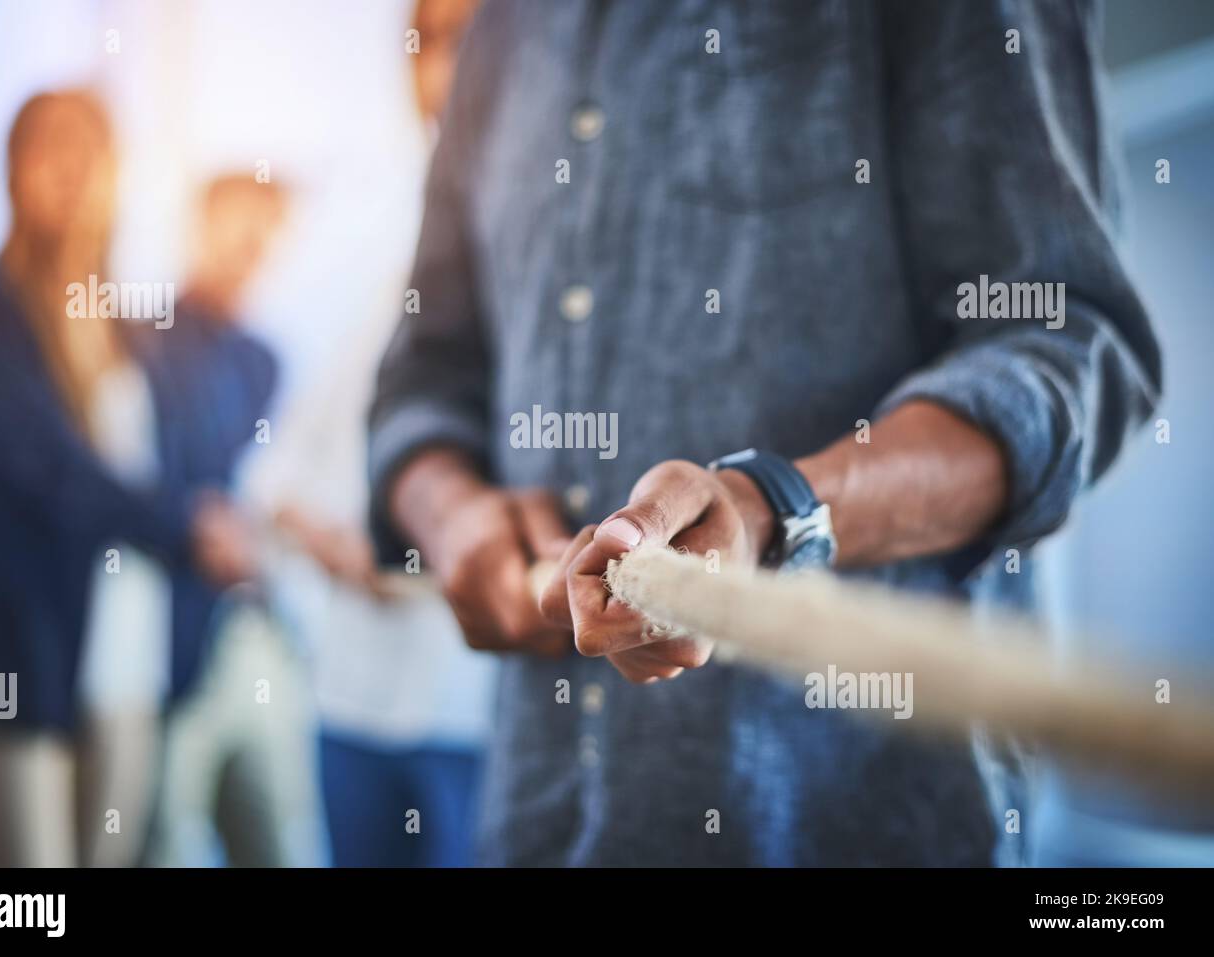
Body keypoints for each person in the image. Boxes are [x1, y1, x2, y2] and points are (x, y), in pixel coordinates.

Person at [368, 1, 1163, 866]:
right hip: (531, 814)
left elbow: (1062, 336)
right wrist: (452, 520)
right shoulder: (496, 34)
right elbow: (423, 375)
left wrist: (775, 510)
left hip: (858, 820)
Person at [0, 90, 248, 867]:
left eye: (88, 149)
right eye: (47, 148)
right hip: (5, 663)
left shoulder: (137, 331)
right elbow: (43, 466)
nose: (70, 169)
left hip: (126, 674)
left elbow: (192, 452)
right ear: (11, 171)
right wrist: (186, 528)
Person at [244, 0, 493, 868]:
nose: (448, 71)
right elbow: (275, 469)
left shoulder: (558, 260)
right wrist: (337, 543)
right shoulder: (363, 257)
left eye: (471, 40)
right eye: (430, 45)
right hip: (351, 694)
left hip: (477, 708)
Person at [143, 173, 321, 868]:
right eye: (237, 223)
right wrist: (199, 522)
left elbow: (271, 488)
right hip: (170, 645)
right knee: (165, 844)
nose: (251, 244)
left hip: (259, 637)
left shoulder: (267, 361)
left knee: (276, 840)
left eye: (266, 229)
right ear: (199, 223)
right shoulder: (141, 337)